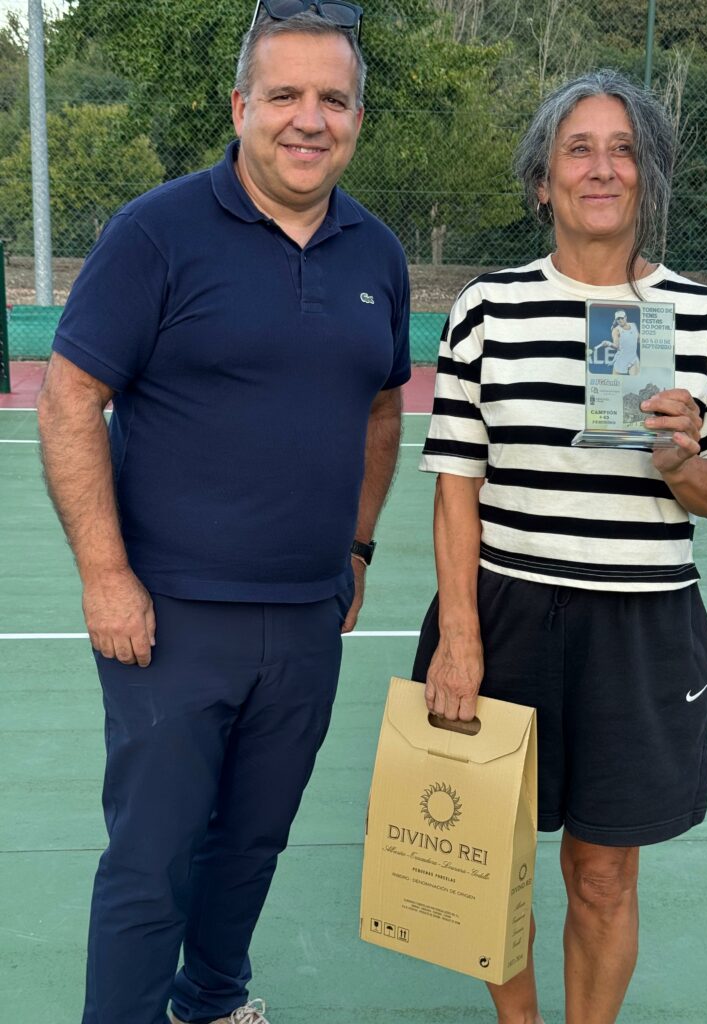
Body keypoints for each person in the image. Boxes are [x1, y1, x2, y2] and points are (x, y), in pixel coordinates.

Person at [36, 5, 409, 1024]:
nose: (308, 119)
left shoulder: (377, 253)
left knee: (251, 843)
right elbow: (69, 399)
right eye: (284, 94)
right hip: (169, 618)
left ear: (358, 118)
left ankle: (210, 1000)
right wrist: (106, 576)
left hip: (307, 617)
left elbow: (384, 406)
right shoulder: (156, 231)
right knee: (151, 859)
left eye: (332, 99)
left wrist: (357, 546)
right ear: (240, 105)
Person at [412, 69, 707, 1024]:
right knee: (486, 861)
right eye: (579, 149)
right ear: (543, 181)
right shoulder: (486, 308)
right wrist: (460, 637)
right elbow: (456, 486)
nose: (602, 168)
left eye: (624, 151)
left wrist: (681, 460)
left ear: (649, 177)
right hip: (504, 616)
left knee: (604, 875)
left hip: (642, 626)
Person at [610, 309, 639, 374]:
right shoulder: (616, 330)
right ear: (616, 320)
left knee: (635, 379)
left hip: (633, 358)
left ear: (626, 317)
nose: (620, 320)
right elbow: (616, 346)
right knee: (615, 380)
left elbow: (638, 339)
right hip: (621, 360)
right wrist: (608, 344)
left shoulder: (633, 325)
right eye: (618, 318)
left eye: (622, 318)